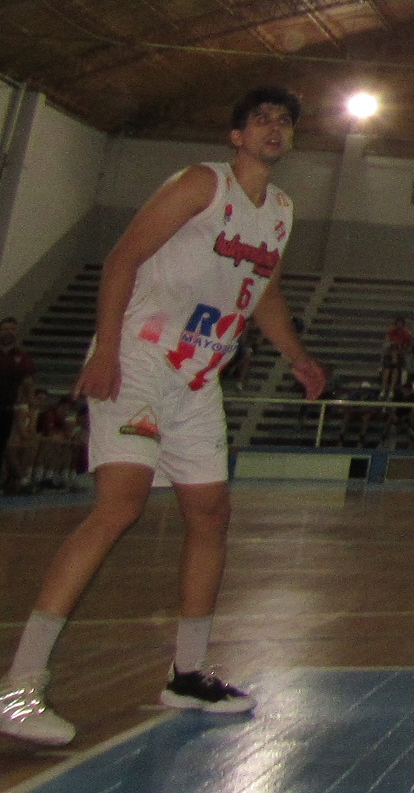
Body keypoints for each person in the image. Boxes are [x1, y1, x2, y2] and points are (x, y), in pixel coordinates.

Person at [0, 88, 328, 747]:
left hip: (197, 378)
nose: (274, 128)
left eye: (285, 121)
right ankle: (18, 688)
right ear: (236, 135)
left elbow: (263, 291)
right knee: (118, 506)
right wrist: (106, 349)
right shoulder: (201, 184)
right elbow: (122, 256)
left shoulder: (282, 212)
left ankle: (187, 673)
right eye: (261, 118)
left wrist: (299, 357)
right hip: (141, 361)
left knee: (209, 512)